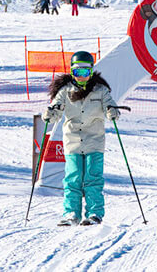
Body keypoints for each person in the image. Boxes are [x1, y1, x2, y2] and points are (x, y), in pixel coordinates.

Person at [42, 51, 120, 226]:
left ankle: (94, 214)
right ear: (72, 72)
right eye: (78, 73)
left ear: (91, 72)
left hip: (94, 141)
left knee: (93, 178)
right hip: (73, 142)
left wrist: (112, 112)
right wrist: (49, 114)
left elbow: (110, 105)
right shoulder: (65, 92)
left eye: (85, 72)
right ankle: (71, 213)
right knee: (73, 178)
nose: (82, 77)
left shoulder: (101, 91)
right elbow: (55, 112)